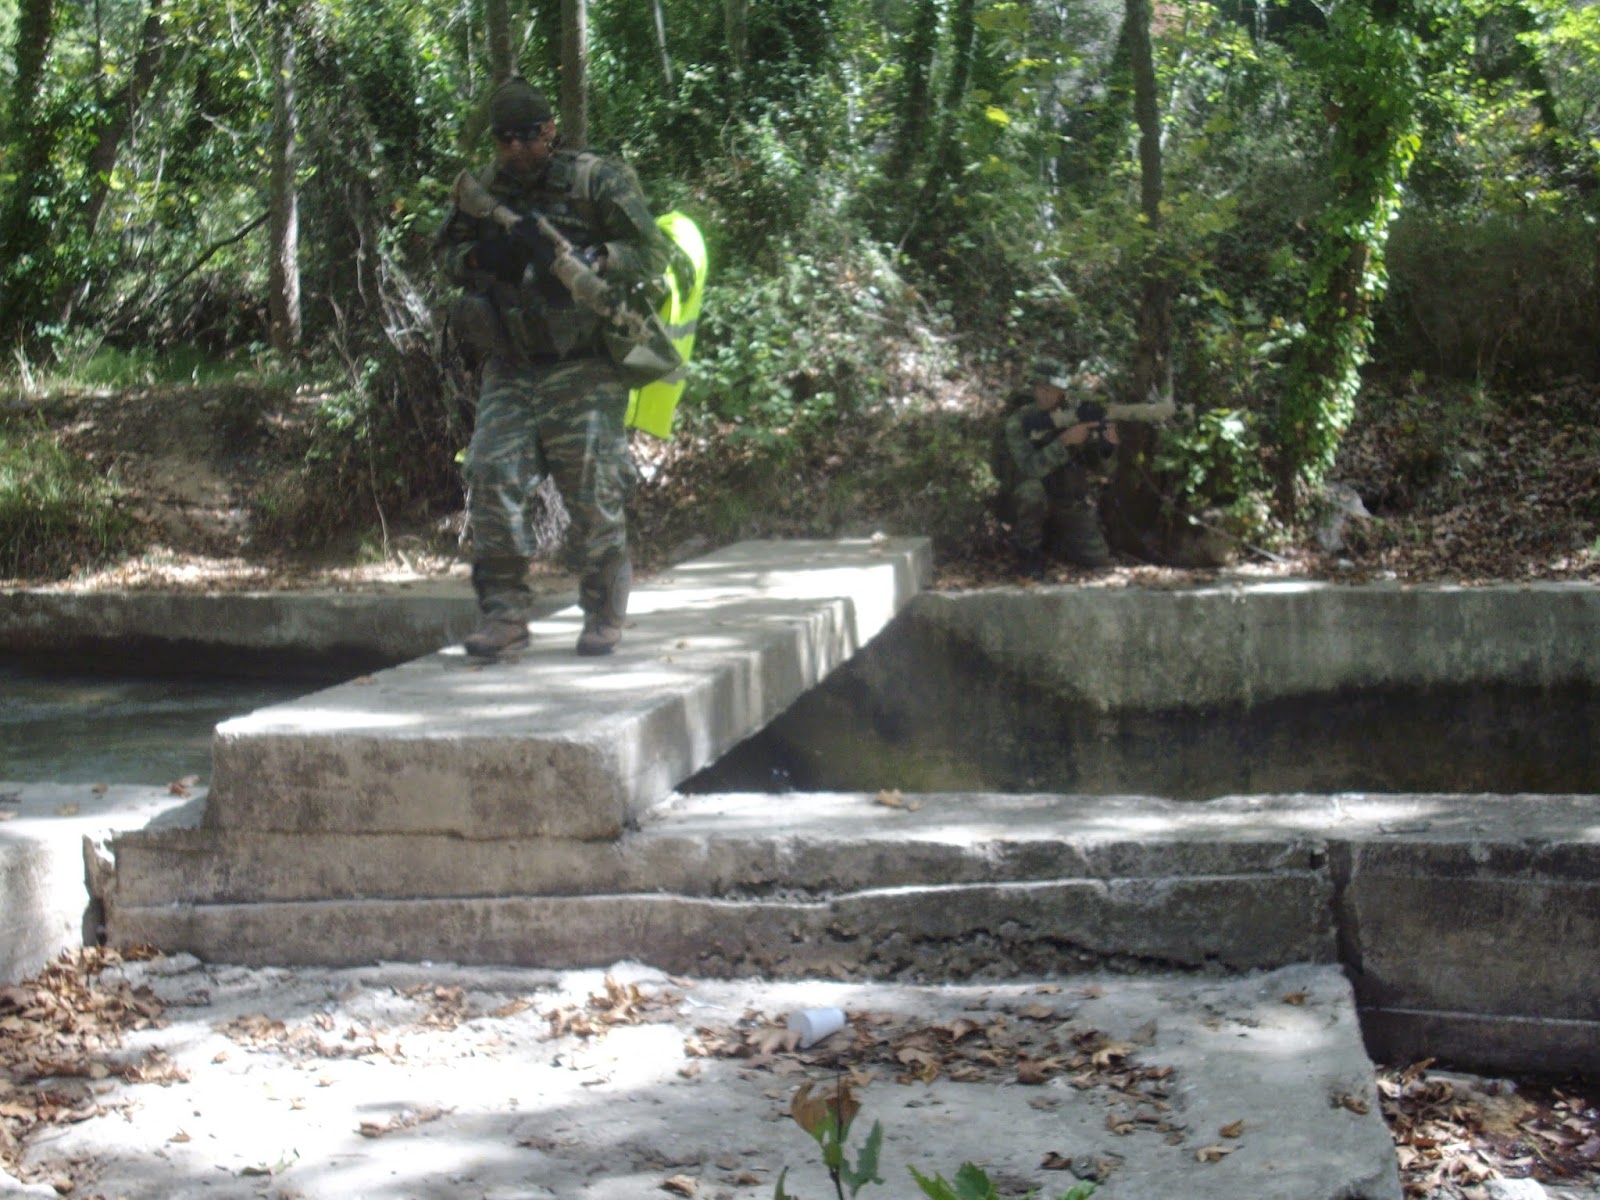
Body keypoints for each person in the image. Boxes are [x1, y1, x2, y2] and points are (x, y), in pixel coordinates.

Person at [434, 76, 672, 658]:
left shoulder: (597, 179)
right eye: (503, 139)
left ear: (549, 132)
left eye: (525, 137)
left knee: (592, 489)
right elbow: (445, 255)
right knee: (490, 473)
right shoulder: (485, 190)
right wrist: (486, 256)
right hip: (513, 362)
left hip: (584, 362)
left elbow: (654, 250)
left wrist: (595, 258)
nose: (514, 149)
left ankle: (601, 612)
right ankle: (505, 615)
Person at [996, 356, 1120, 576]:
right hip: (1023, 503)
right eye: (1041, 388)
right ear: (1034, 389)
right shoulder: (1020, 421)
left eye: (1051, 389)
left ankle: (1056, 542)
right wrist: (1064, 442)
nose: (1045, 394)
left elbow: (1102, 469)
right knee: (1031, 492)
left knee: (1097, 558)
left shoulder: (1075, 415)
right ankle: (1029, 552)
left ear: (1061, 392)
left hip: (1065, 500)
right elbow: (1028, 468)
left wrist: (1107, 446)